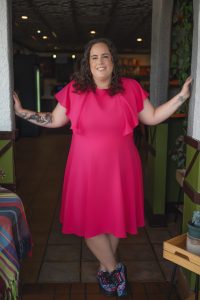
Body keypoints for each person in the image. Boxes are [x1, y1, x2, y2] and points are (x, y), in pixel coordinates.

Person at [13, 38, 192, 298]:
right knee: (90, 226)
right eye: (94, 57)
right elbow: (53, 120)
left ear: (113, 61)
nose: (100, 61)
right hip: (85, 169)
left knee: (112, 222)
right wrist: (21, 112)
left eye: (105, 56)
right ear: (87, 63)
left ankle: (104, 270)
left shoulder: (130, 88)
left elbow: (152, 117)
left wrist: (182, 97)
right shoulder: (75, 89)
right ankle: (115, 268)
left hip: (121, 168)